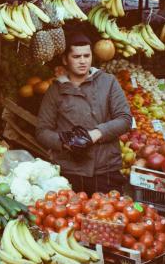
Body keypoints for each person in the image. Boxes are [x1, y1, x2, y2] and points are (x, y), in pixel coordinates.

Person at [36, 32, 132, 193]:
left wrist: (97, 133)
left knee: (108, 216)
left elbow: (125, 119)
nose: (82, 61)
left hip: (105, 169)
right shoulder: (56, 89)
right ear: (65, 60)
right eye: (76, 56)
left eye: (86, 56)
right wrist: (63, 142)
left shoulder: (108, 82)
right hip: (69, 171)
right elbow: (42, 131)